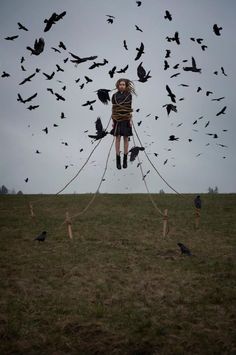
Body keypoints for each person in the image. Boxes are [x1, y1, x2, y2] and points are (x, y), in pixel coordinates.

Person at [110, 78, 136, 169]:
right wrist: (113, 120)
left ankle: (125, 160)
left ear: (126, 86)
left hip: (126, 119)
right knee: (117, 138)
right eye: (120, 84)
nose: (122, 86)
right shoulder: (114, 96)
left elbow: (129, 107)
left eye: (123, 84)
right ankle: (118, 160)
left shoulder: (129, 95)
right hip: (117, 119)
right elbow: (113, 108)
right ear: (118, 85)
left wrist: (130, 119)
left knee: (126, 138)